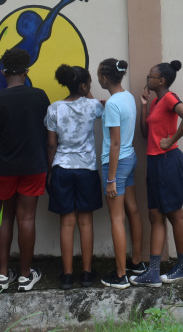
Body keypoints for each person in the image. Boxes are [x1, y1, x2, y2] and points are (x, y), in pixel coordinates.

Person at [0, 49, 49, 292]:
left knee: (5, 217)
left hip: (4, 167)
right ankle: (24, 275)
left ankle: (2, 274)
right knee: (27, 218)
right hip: (34, 165)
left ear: (3, 72)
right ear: (26, 71)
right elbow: (47, 129)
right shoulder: (40, 96)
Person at [130, 60, 183, 287]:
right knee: (155, 215)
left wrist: (171, 140)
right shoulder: (157, 101)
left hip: (168, 161)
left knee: (174, 214)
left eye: (150, 76)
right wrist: (144, 106)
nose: (147, 79)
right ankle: (154, 272)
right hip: (156, 162)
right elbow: (145, 134)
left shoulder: (169, 97)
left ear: (161, 81)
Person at [45, 64, 104, 290]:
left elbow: (51, 144)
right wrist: (86, 90)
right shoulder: (92, 106)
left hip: (62, 167)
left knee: (66, 223)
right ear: (84, 85)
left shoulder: (54, 108)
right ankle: (87, 273)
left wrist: (50, 170)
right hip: (86, 169)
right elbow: (100, 106)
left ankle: (67, 275)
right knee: (85, 222)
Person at [96, 59, 145, 289]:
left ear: (105, 78)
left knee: (117, 217)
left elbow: (114, 143)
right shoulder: (126, 97)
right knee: (133, 210)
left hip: (115, 163)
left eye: (98, 76)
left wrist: (111, 179)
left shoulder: (114, 104)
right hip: (130, 158)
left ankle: (120, 275)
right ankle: (137, 262)